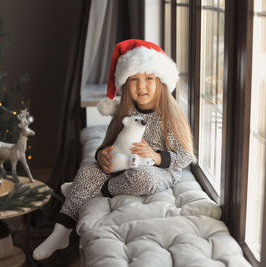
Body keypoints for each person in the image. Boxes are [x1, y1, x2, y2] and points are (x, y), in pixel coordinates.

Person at [33, 39, 196, 261]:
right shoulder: (123, 112)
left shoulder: (169, 116)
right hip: (121, 165)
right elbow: (107, 144)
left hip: (158, 171)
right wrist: (102, 156)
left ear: (161, 82)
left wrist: (157, 156)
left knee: (141, 178)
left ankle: (92, 190)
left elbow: (186, 156)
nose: (142, 86)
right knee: (89, 171)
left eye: (149, 78)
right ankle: (60, 232)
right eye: (134, 80)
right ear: (126, 84)